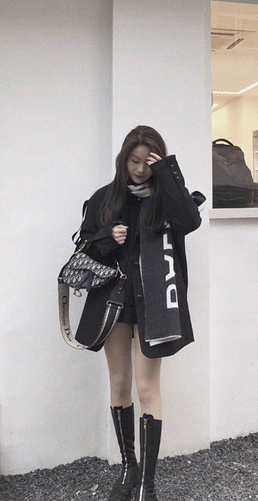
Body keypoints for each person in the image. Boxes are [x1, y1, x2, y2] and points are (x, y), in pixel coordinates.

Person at [76, 125, 203, 501]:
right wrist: (105, 237)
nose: (140, 168)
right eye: (134, 160)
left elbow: (190, 222)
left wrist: (167, 172)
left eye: (148, 162)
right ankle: (128, 469)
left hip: (154, 304)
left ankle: (147, 483)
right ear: (124, 159)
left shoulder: (167, 200)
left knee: (147, 388)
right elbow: (84, 246)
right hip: (115, 303)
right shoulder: (105, 198)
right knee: (119, 383)